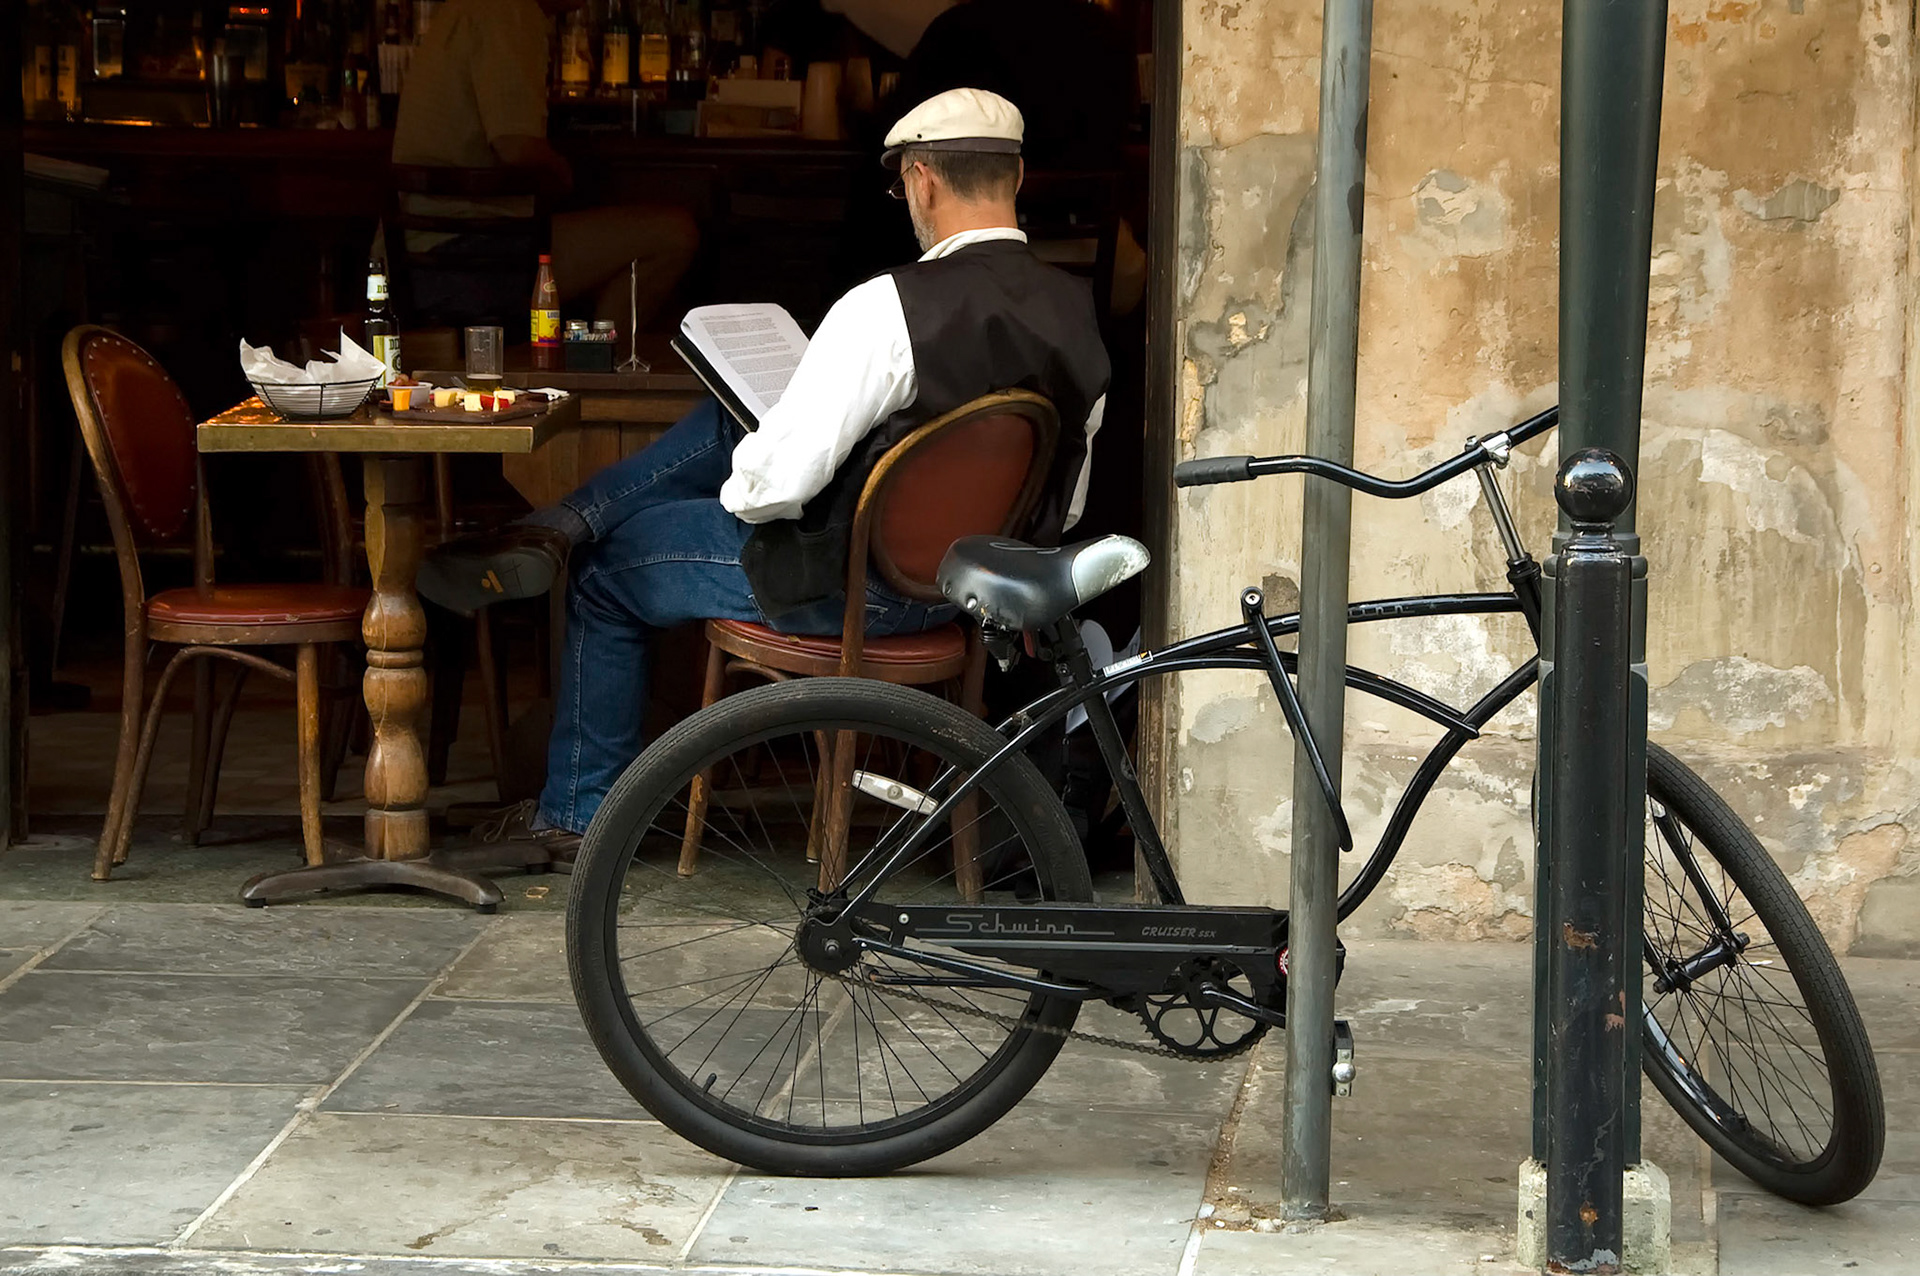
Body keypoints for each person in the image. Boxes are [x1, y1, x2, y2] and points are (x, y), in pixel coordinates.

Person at [416, 88, 1111, 858]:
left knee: (607, 567)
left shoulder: (888, 308)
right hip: (976, 599)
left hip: (855, 592)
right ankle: (554, 525)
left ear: (922, 179)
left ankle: (577, 811)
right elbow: (1066, 503)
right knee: (731, 430)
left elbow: (771, 490)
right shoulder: (1077, 310)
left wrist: (751, 462)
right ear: (1015, 178)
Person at [390, 0, 697, 327]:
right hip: (467, 260)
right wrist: (564, 173)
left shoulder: (467, 9)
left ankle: (588, 364)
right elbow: (516, 148)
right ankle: (601, 370)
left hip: (413, 258)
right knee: (674, 235)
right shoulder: (511, 12)